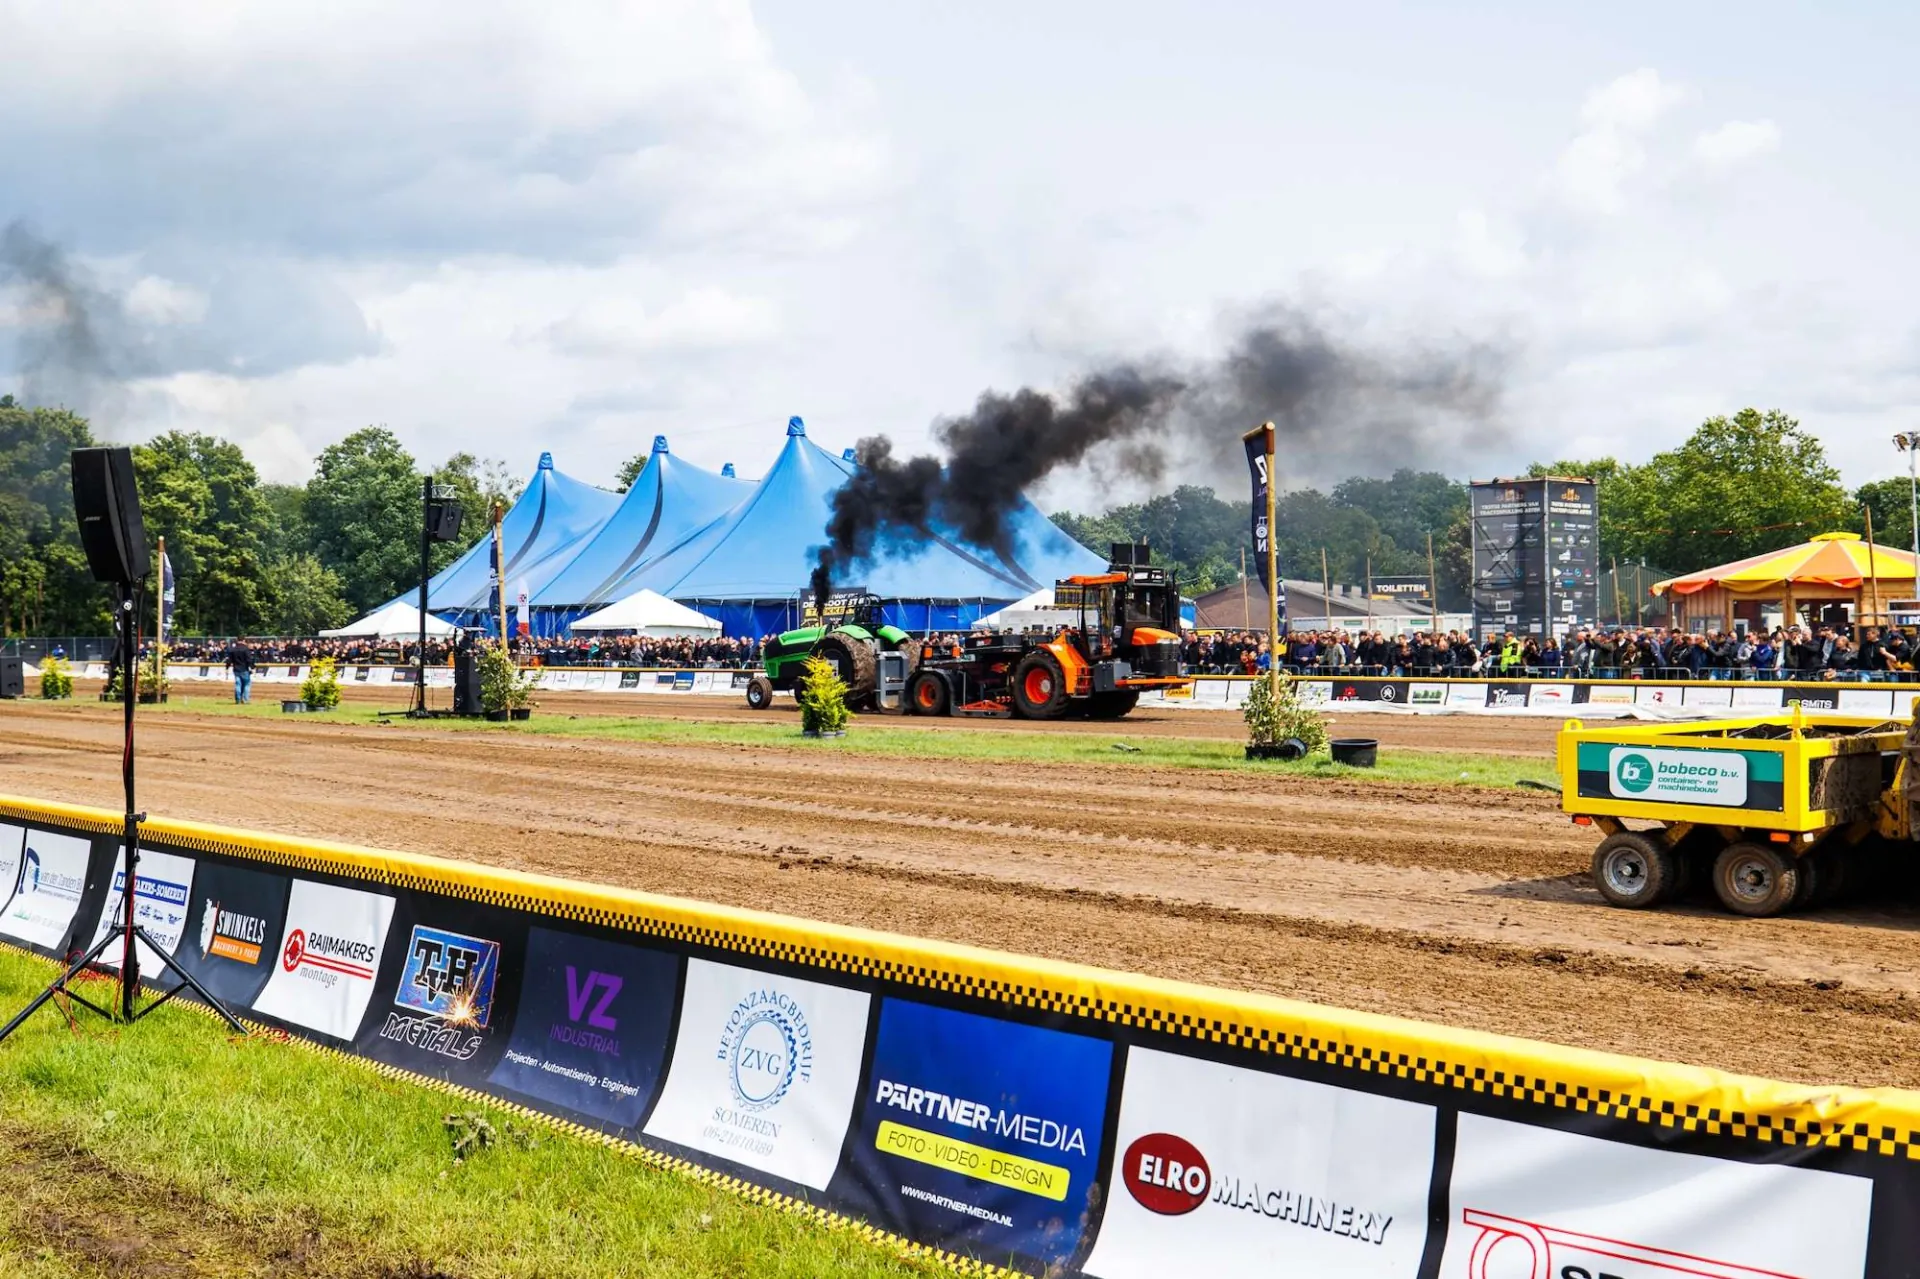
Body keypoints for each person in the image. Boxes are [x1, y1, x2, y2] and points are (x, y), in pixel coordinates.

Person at [226, 636, 256, 704]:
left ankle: (238, 700)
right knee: (246, 684)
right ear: (243, 640)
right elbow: (249, 660)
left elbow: (229, 660)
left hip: (236, 670)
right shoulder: (246, 649)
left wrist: (227, 667)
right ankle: (245, 700)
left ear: (237, 640)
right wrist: (253, 667)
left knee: (238, 684)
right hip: (244, 669)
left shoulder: (232, 649)